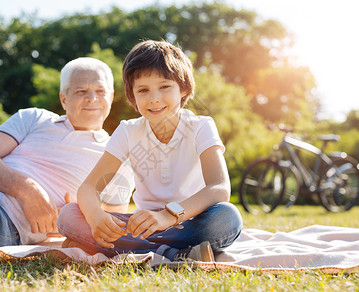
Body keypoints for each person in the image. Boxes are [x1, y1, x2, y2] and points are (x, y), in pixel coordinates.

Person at [57, 40, 243, 262]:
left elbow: (219, 188)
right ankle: (174, 254)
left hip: (189, 222)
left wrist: (167, 216)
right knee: (69, 215)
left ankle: (123, 248)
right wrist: (96, 217)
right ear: (132, 95)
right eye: (143, 90)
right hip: (141, 227)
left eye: (164, 87)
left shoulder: (201, 126)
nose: (154, 98)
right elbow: (88, 188)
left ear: (183, 88)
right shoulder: (128, 130)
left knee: (227, 217)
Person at [0, 57, 134, 252]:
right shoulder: (34, 118)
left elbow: (112, 228)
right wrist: (27, 189)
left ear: (111, 97)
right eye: (81, 91)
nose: (92, 98)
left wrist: (78, 214)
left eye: (100, 91)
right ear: (64, 98)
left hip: (2, 221)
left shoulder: (116, 156)